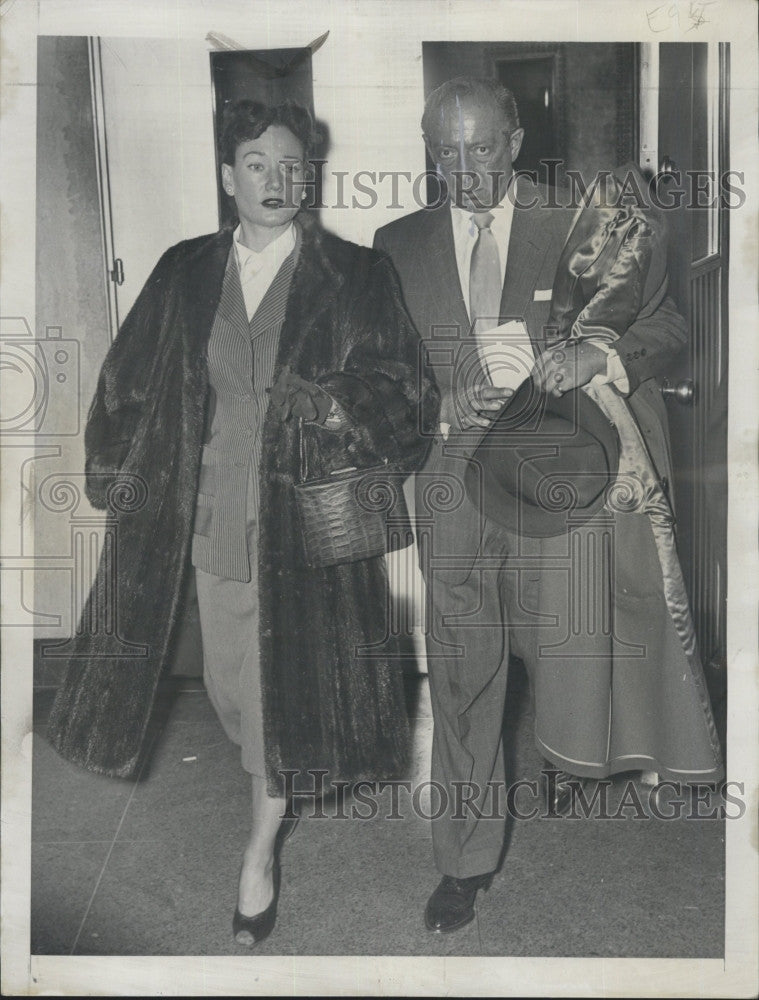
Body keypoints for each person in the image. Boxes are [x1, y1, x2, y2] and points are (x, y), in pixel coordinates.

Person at [47, 98, 440, 946]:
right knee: (231, 690)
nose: (276, 180)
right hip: (209, 510)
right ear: (229, 178)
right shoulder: (184, 270)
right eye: (257, 164)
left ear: (312, 176)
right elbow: (126, 381)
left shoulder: (355, 274)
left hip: (308, 522)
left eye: (292, 165)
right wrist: (116, 476)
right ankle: (272, 783)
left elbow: (407, 389)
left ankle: (258, 855)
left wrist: (330, 406)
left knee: (273, 697)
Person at [373, 76, 723, 934]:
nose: (465, 170)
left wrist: (597, 352)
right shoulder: (394, 243)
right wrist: (438, 402)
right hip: (452, 487)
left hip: (559, 488)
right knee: (461, 673)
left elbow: (669, 323)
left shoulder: (581, 224)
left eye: (482, 147)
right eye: (445, 151)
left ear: (517, 139)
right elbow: (376, 371)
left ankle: (570, 756)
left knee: (564, 647)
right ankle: (465, 859)